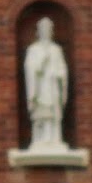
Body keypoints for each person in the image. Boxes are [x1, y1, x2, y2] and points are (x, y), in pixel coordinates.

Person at [24, 16, 69, 149]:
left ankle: (54, 138)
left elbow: (62, 68)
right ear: (39, 32)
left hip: (52, 84)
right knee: (41, 111)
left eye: (48, 29)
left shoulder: (56, 50)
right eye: (43, 29)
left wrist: (60, 74)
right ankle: (39, 138)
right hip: (40, 86)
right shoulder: (34, 49)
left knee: (53, 111)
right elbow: (30, 68)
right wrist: (40, 64)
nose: (46, 32)